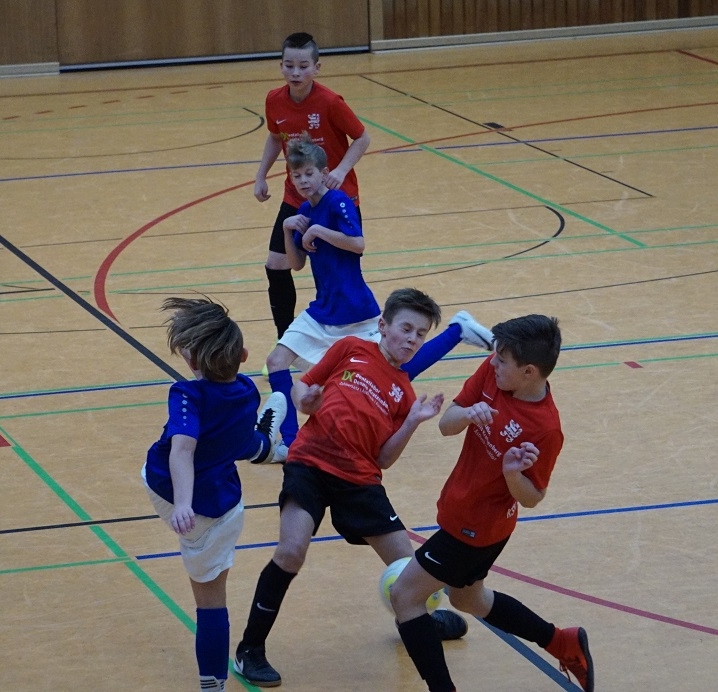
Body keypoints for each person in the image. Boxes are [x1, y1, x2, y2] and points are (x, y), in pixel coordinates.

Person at [234, 288, 470, 688]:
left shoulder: (404, 391)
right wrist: (305, 400)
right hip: (311, 464)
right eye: (406, 329)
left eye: (420, 334)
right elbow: (303, 388)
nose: (412, 339)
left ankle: (416, 619)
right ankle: (250, 649)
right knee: (291, 552)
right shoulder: (350, 349)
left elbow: (384, 459)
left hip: (360, 482)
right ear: (383, 326)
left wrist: (412, 421)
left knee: (412, 571)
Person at [388, 314, 594, 692]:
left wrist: (513, 474)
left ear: (529, 372)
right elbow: (446, 424)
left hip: (475, 528)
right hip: (464, 512)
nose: (493, 362)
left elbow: (533, 497)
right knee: (468, 599)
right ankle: (560, 641)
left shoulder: (546, 429)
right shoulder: (493, 372)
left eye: (502, 360)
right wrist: (467, 415)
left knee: (405, 596)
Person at [258, 133, 495, 462]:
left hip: (356, 311)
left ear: (323, 172)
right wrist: (288, 230)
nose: (302, 181)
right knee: (276, 361)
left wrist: (318, 230)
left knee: (399, 369)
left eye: (309, 173)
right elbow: (296, 264)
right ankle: (291, 441)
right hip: (322, 312)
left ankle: (457, 330)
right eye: (296, 176)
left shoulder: (338, 201)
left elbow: (358, 244)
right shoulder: (303, 210)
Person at [140, 297, 286, 692]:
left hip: (177, 496)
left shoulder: (187, 394)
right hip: (225, 506)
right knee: (238, 441)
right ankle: (267, 445)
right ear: (243, 356)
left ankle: (212, 686)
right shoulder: (247, 390)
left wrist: (182, 504)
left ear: (192, 361)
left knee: (209, 605)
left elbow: (182, 449)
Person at [255, 31, 370, 340]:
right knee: (276, 265)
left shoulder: (330, 102)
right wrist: (261, 175)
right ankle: (286, 338)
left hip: (335, 197)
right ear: (280, 65)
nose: (295, 72)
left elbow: (362, 137)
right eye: (289, 65)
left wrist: (342, 170)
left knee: (337, 270)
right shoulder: (274, 100)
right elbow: (275, 136)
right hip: (297, 196)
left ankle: (350, 335)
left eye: (303, 66)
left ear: (317, 68)